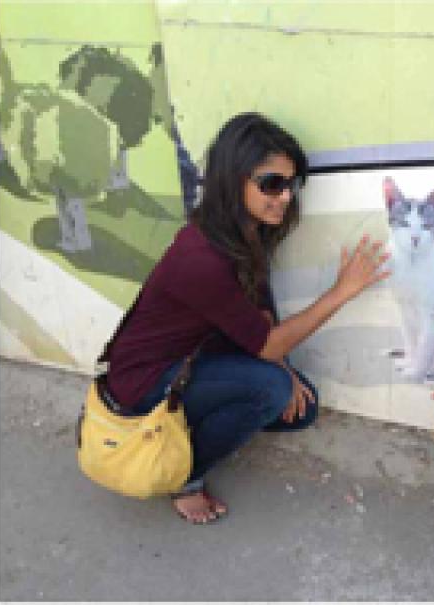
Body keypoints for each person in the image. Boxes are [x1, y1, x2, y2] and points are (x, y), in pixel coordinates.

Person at [103, 112, 390, 523]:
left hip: (192, 360)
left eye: (290, 184)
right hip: (144, 381)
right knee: (271, 390)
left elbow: (260, 308)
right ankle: (184, 475)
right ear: (232, 178)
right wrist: (342, 291)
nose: (285, 196)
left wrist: (283, 365)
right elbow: (266, 342)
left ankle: (183, 430)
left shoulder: (246, 229)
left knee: (297, 407)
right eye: (271, 183)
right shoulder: (201, 256)